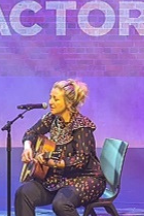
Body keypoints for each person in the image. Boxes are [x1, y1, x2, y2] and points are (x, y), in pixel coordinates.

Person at [15, 79, 106, 216]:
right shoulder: (52, 119)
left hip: (86, 178)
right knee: (23, 193)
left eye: (56, 99)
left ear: (68, 103)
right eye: (50, 97)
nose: (50, 102)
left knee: (61, 204)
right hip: (58, 178)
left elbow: (81, 161)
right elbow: (31, 133)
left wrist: (53, 162)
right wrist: (27, 147)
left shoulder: (82, 126)